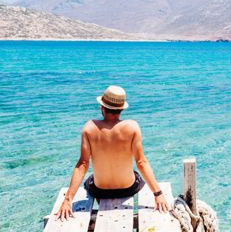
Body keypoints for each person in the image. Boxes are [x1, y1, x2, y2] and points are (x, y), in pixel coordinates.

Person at [55, 85, 169, 220]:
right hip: (128, 188)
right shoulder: (132, 127)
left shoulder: (89, 128)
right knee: (135, 174)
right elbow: (141, 162)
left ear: (102, 107)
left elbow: (83, 165)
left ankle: (102, 209)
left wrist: (68, 200)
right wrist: (158, 194)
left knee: (90, 180)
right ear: (121, 109)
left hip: (100, 191)